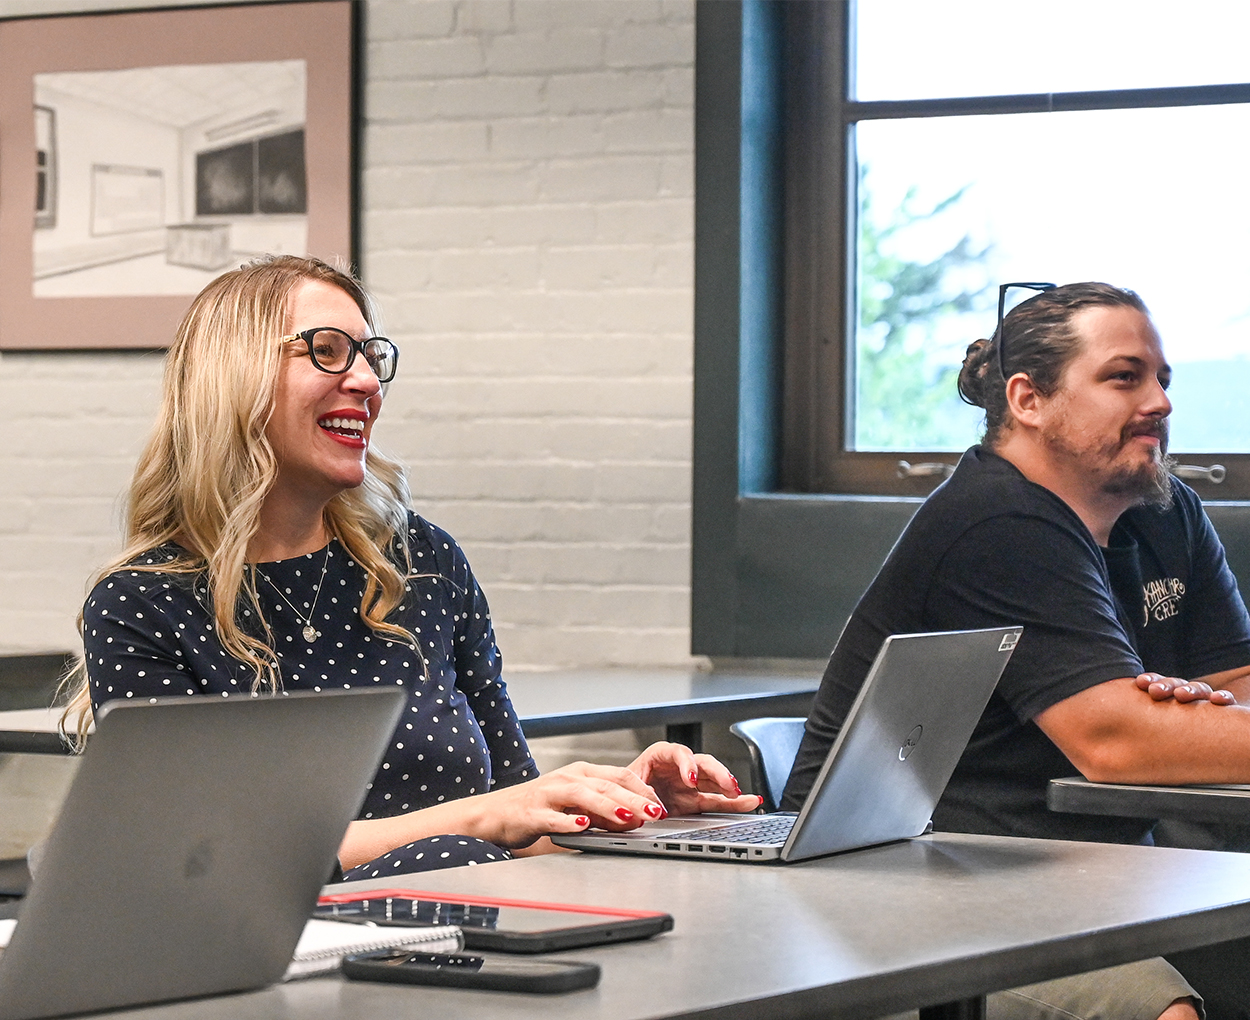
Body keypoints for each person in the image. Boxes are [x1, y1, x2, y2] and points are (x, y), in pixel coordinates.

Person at [60, 254, 759, 881]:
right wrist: (478, 821)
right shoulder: (143, 602)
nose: (365, 380)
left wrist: (622, 811)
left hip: (471, 933)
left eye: (369, 355)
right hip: (280, 958)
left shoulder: (423, 563)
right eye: (326, 352)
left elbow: (515, 813)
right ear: (230, 379)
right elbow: (201, 857)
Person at [782, 281, 1250, 1020]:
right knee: (1162, 1012)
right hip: (914, 888)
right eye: (1124, 377)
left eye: (1163, 379)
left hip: (1085, 874)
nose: (1158, 401)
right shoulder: (998, 522)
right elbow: (1115, 742)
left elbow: (1233, 679)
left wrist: (1199, 721)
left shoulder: (1163, 507)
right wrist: (1169, 727)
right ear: (1028, 400)